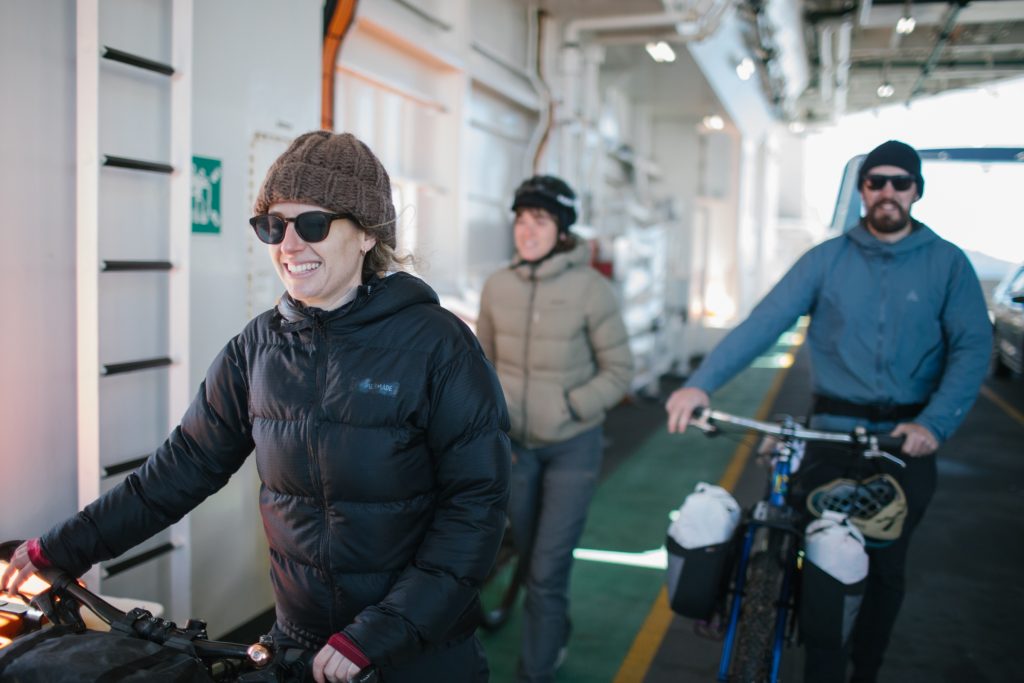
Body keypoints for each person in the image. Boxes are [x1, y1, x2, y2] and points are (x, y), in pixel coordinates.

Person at [1, 130, 512, 683]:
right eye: (273, 225)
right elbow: (180, 469)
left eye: (312, 224)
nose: (289, 245)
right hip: (297, 648)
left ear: (367, 235)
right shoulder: (258, 348)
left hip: (416, 651)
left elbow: (475, 510)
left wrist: (382, 631)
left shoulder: (438, 346)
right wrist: (58, 549)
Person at [665, 140, 992, 683]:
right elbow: (763, 324)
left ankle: (863, 670)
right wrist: (700, 386)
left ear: (916, 191)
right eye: (875, 181)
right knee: (818, 561)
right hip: (829, 435)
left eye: (899, 182)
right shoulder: (826, 260)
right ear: (862, 189)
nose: (887, 191)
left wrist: (932, 424)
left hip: (902, 442)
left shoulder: (947, 264)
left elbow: (972, 348)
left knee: (883, 571)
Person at [476, 175, 633, 683]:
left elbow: (619, 371)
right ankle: (554, 629)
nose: (527, 230)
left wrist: (571, 404)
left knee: (547, 570)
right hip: (516, 448)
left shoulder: (591, 288)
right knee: (524, 547)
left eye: (539, 220)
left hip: (572, 447)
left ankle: (534, 672)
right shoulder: (497, 285)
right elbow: (485, 365)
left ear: (562, 228)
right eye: (521, 220)